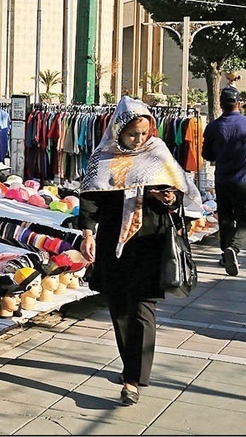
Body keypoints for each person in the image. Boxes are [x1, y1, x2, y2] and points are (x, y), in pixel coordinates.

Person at [77, 96, 205, 407]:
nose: (138, 140)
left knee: (143, 309)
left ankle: (132, 378)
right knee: (120, 308)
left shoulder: (158, 154)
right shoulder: (102, 157)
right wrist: (87, 234)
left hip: (151, 241)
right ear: (118, 130)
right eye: (132, 134)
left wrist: (169, 199)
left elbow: (180, 193)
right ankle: (132, 368)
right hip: (113, 244)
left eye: (143, 133)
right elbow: (91, 199)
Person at [202, 85, 246, 276]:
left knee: (226, 217)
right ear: (238, 103)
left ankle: (225, 253)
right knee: (245, 217)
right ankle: (235, 248)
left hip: (222, 179)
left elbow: (207, 154)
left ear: (221, 105)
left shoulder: (212, 127)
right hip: (244, 179)